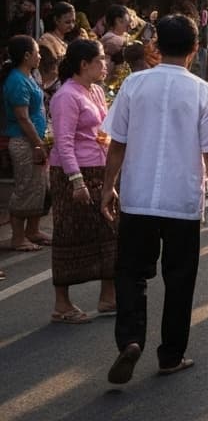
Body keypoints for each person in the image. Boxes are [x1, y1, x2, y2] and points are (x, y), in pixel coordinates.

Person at [101, 15, 208, 383]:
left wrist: (107, 186)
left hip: (137, 197)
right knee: (179, 279)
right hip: (182, 201)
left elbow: (117, 143)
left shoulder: (133, 84)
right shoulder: (202, 92)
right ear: (195, 49)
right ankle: (170, 355)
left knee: (131, 272)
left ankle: (130, 339)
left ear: (156, 46)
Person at [48, 39, 117, 323]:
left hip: (100, 169)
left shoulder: (97, 91)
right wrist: (77, 181)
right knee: (69, 233)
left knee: (109, 230)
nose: (106, 64)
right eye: (100, 59)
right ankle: (62, 304)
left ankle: (108, 296)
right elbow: (63, 143)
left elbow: (103, 127)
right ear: (83, 64)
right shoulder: (66, 96)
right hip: (72, 174)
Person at [4, 35, 50, 251]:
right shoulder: (16, 81)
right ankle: (18, 237)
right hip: (25, 142)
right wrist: (38, 144)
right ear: (26, 56)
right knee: (24, 187)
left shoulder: (29, 76)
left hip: (34, 141)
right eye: (37, 52)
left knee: (38, 187)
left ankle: (33, 230)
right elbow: (22, 117)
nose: (40, 56)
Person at [38, 1, 77, 92]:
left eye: (73, 22)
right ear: (56, 20)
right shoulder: (46, 41)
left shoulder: (68, 39)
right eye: (67, 22)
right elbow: (48, 74)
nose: (71, 26)